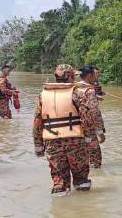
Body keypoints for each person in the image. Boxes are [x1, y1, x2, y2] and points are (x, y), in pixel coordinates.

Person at [33, 64, 97, 196]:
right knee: (81, 180)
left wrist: (38, 145)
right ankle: (85, 209)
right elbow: (86, 118)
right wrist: (90, 137)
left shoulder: (42, 95)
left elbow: (37, 122)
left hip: (52, 143)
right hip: (76, 142)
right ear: (71, 76)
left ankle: (60, 211)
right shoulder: (77, 93)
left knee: (59, 181)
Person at [78, 65, 106, 168]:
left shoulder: (74, 87)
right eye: (95, 74)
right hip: (87, 127)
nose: (96, 76)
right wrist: (100, 132)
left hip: (74, 128)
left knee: (80, 156)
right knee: (96, 160)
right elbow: (95, 112)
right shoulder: (90, 91)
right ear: (90, 75)